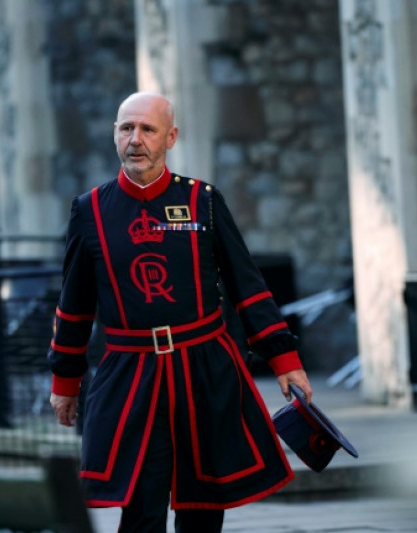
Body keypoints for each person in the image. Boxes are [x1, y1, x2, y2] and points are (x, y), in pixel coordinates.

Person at [48, 92, 312, 533]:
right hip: (132, 377)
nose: (136, 139)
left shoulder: (203, 201)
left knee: (204, 509)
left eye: (147, 129)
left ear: (170, 137)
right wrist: (64, 381)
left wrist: (284, 360)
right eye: (126, 128)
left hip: (206, 371)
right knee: (141, 508)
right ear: (114, 134)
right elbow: (74, 306)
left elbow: (248, 287)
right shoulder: (90, 210)